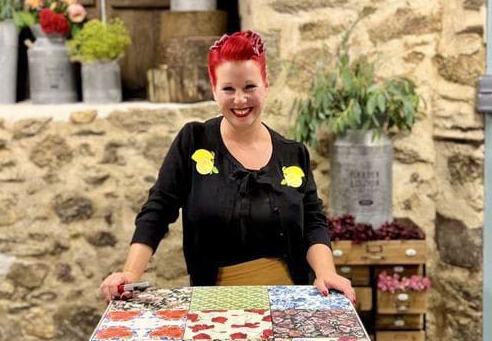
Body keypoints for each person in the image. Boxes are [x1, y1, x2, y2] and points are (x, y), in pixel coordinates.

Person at [99, 30, 356, 302]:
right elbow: (158, 208)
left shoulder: (293, 154)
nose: (240, 100)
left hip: (290, 300)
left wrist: (326, 271)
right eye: (228, 89)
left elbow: (313, 221)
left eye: (249, 87)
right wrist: (131, 273)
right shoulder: (193, 141)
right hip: (215, 304)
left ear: (265, 84)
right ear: (214, 89)